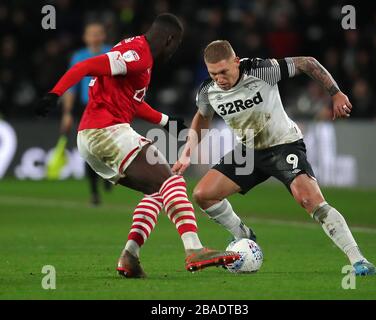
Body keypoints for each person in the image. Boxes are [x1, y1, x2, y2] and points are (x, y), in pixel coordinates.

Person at [35, 15, 239, 278]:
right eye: (176, 45)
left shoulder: (136, 54)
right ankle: (194, 249)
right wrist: (55, 93)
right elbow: (86, 66)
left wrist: (165, 120)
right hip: (107, 130)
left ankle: (129, 257)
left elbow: (131, 100)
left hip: (91, 137)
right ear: (169, 40)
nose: (174, 51)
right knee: (172, 182)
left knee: (157, 192)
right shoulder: (137, 55)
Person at [172, 40, 376, 276]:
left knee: (309, 200)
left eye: (224, 72)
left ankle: (357, 258)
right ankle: (243, 236)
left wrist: (336, 93)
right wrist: (188, 150)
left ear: (236, 62)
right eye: (213, 73)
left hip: (283, 146)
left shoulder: (261, 70)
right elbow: (203, 116)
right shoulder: (208, 91)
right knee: (203, 195)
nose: (219, 78)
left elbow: (307, 63)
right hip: (249, 151)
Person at [58, 21, 113, 206]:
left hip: (110, 106)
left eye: (98, 33)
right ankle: (94, 191)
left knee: (110, 147)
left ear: (103, 35)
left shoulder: (112, 52)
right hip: (88, 108)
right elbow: (71, 87)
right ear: (85, 37)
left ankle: (107, 175)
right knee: (88, 149)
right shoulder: (79, 56)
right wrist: (67, 113)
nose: (95, 37)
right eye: (92, 33)